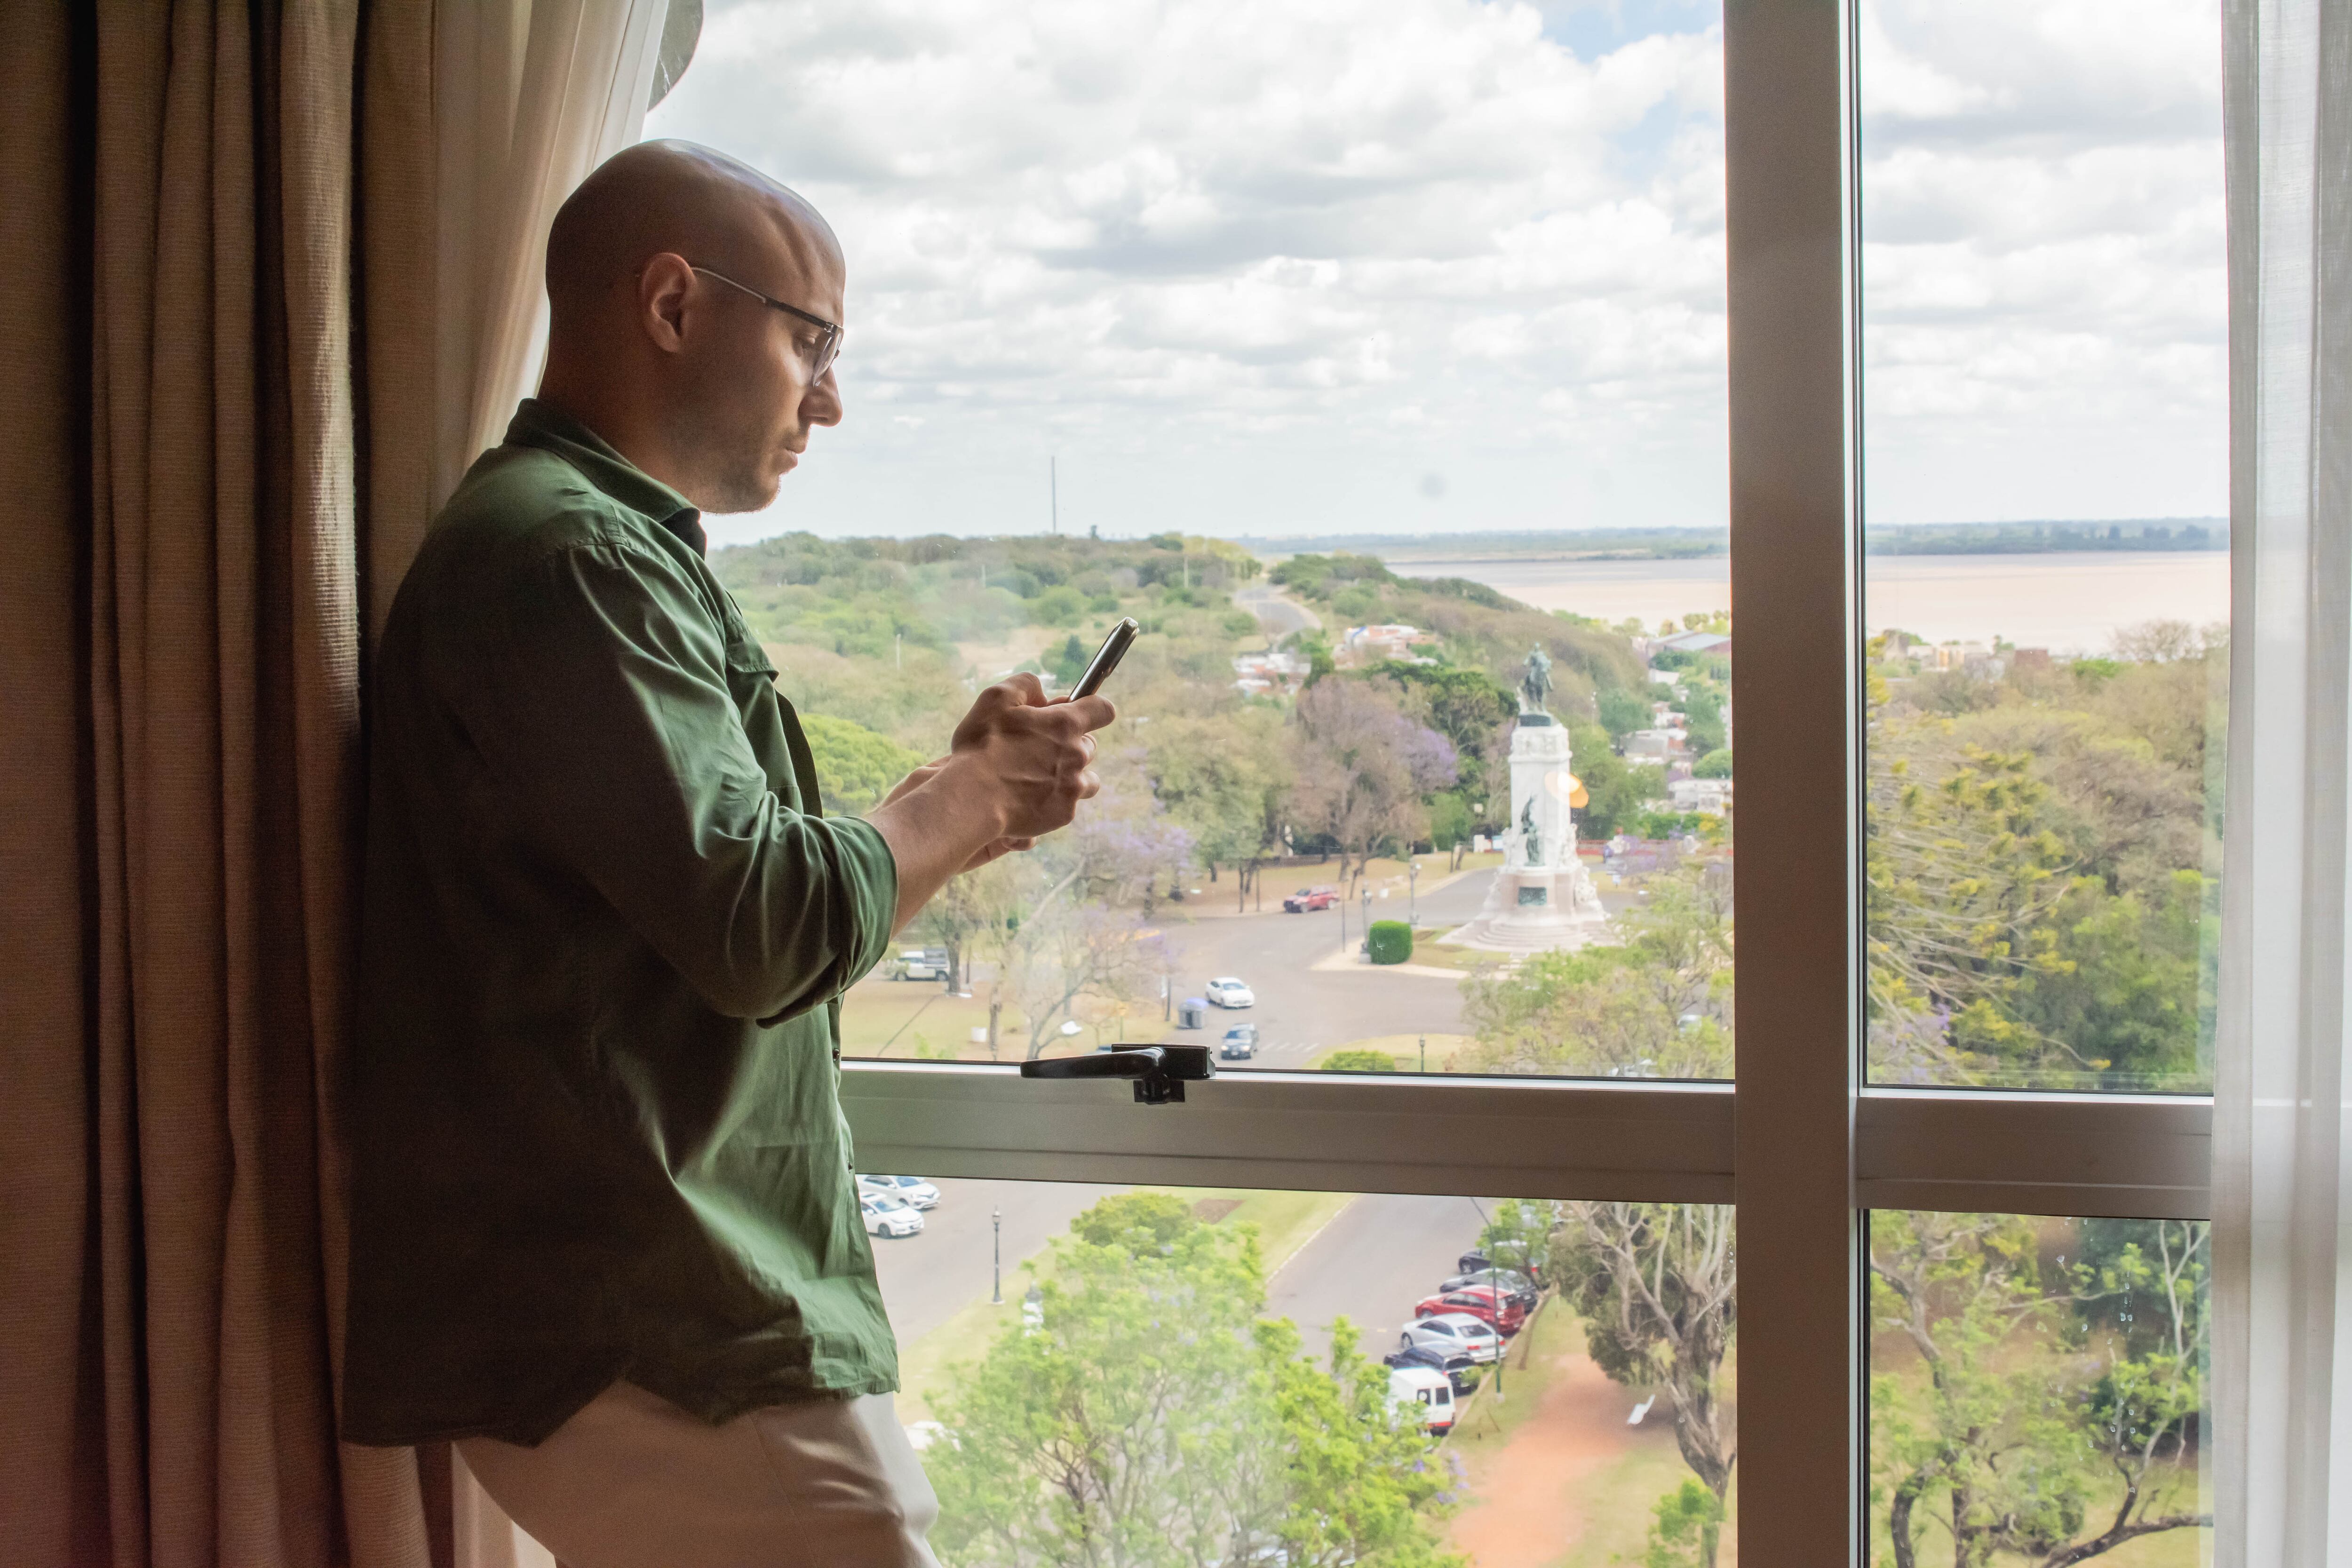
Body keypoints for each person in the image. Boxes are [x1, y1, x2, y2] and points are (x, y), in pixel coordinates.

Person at [342, 141, 1111, 1568]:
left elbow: (704, 889)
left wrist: (957, 793)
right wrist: (967, 802)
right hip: (644, 1316)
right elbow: (760, 923)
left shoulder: (594, 546)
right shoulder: (568, 558)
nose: (831, 398)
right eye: (811, 340)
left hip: (655, 1302)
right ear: (675, 304)